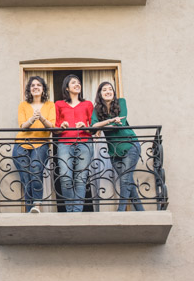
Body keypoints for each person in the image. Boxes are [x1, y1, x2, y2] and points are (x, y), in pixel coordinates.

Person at [91, 81, 144, 211]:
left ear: (113, 92)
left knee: (125, 180)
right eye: (104, 90)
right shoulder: (97, 109)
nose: (108, 91)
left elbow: (121, 123)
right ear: (100, 94)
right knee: (128, 181)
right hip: (114, 151)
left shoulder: (121, 102)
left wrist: (101, 127)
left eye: (110, 89)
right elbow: (93, 126)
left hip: (130, 145)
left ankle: (120, 211)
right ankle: (141, 211)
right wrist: (109, 122)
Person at [15, 76, 56, 213]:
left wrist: (41, 118)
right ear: (29, 89)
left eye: (38, 85)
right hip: (21, 144)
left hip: (41, 144)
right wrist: (32, 118)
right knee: (26, 177)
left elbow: (51, 126)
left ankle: (37, 206)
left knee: (35, 171)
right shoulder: (23, 105)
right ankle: (30, 210)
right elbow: (22, 126)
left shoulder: (50, 105)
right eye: (32, 85)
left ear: (43, 89)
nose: (35, 87)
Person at [54, 74, 94, 213]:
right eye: (73, 83)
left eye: (79, 83)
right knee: (65, 177)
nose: (77, 84)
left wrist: (85, 126)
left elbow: (93, 128)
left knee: (80, 179)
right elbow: (55, 128)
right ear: (67, 87)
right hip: (64, 143)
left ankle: (76, 212)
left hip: (84, 143)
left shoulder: (87, 104)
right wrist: (61, 126)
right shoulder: (59, 104)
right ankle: (70, 211)